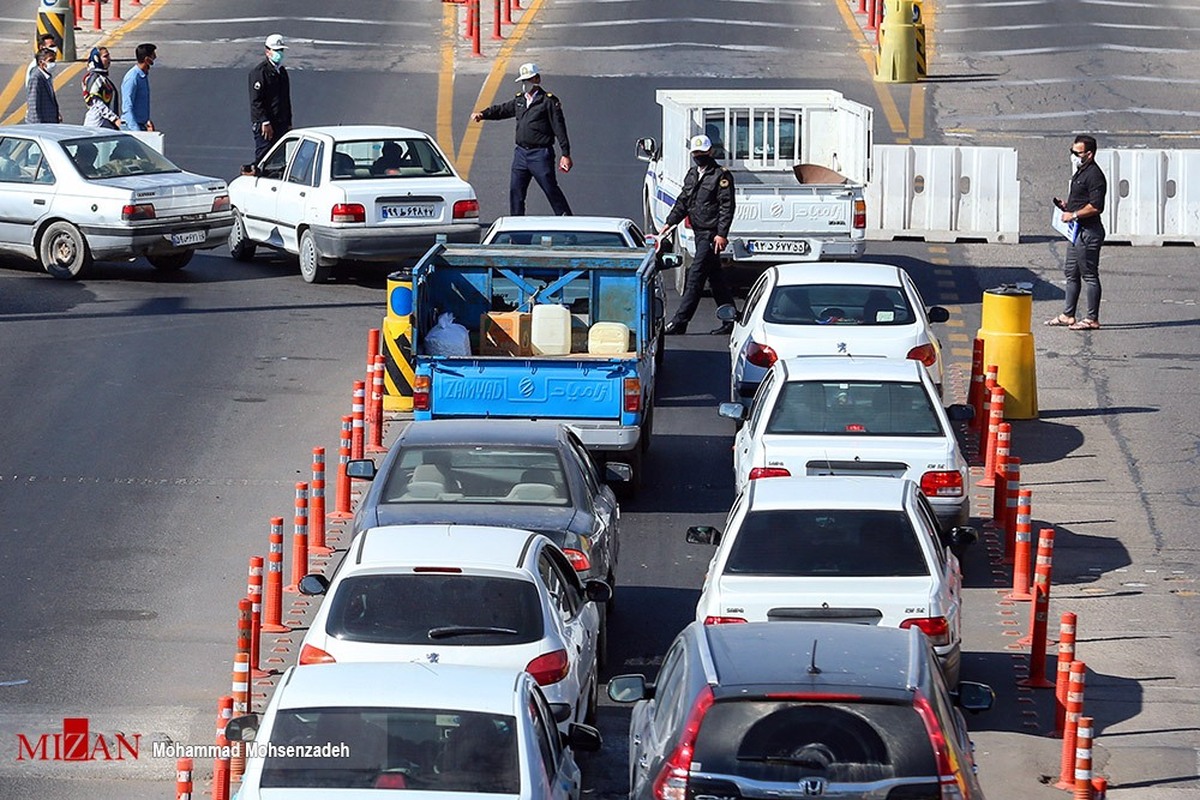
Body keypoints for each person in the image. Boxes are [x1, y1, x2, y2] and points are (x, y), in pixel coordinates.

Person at [471, 63, 573, 216]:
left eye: (529, 80)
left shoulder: (548, 101)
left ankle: (567, 222)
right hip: (521, 154)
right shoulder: (520, 100)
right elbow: (502, 110)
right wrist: (483, 114)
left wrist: (565, 154)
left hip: (540, 154)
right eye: (523, 81)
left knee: (550, 188)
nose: (526, 84)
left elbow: (559, 128)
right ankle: (516, 230)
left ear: (537, 79)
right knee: (516, 192)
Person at [660, 134, 737, 335]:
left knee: (695, 276)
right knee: (715, 278)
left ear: (710, 152)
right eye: (696, 153)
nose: (699, 156)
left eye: (702, 152)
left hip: (711, 235)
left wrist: (721, 234)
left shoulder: (721, 176)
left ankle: (680, 322)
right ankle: (731, 319)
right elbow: (684, 201)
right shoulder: (692, 174)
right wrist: (670, 222)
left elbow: (726, 207)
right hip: (698, 231)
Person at [1046, 134, 1106, 331]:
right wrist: (1067, 206)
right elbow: (1081, 199)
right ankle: (1068, 314)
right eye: (1071, 152)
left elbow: (1096, 206)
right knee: (1071, 272)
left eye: (1077, 153)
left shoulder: (1095, 175)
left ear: (1089, 154)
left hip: (1089, 232)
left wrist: (1073, 214)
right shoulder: (1081, 171)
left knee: (1089, 275)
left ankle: (1092, 318)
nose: (1073, 156)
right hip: (1075, 232)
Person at [249, 34, 292, 162]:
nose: (280, 53)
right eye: (276, 50)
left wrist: (288, 122)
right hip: (266, 126)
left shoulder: (282, 72)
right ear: (267, 51)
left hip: (281, 123)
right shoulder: (259, 73)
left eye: (281, 50)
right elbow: (256, 101)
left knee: (280, 159)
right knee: (265, 158)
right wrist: (264, 121)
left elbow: (286, 99)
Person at [82, 47, 121, 129]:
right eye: (105, 56)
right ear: (97, 59)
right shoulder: (94, 78)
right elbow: (97, 104)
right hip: (97, 124)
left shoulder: (102, 78)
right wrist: (114, 119)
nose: (109, 59)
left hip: (106, 123)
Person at [121, 43, 156, 131]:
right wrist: (137, 132)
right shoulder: (132, 78)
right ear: (147, 59)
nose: (155, 58)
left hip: (141, 125)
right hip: (131, 127)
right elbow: (127, 107)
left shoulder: (143, 75)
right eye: (153, 56)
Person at [25, 48, 60, 125]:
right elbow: (33, 105)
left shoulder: (46, 76)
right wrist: (38, 127)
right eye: (50, 61)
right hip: (42, 125)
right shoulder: (36, 78)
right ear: (41, 62)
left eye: (54, 60)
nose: (53, 63)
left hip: (50, 123)